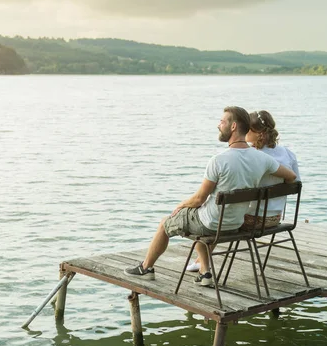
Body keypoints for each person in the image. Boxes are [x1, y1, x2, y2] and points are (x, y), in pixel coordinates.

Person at [124, 106, 297, 287]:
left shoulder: (218, 161)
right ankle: (204, 272)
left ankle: (146, 268)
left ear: (233, 126)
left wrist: (181, 206)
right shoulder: (263, 159)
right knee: (198, 218)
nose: (218, 125)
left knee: (166, 223)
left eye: (222, 121)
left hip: (212, 223)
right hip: (236, 223)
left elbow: (199, 199)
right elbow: (291, 177)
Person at [243, 109, 300, 228]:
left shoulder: (249, 156)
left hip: (251, 219)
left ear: (260, 133)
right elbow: (296, 185)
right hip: (275, 218)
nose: (244, 131)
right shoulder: (287, 153)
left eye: (247, 128)